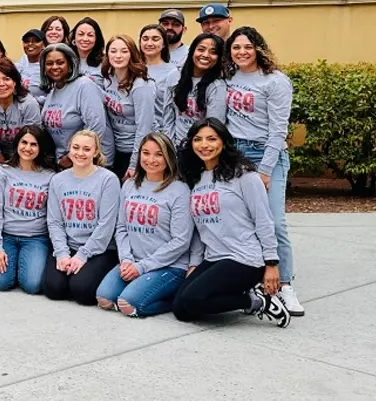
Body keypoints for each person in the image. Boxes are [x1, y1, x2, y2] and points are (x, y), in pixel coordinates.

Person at [172, 119, 290, 327]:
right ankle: (244, 294)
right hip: (214, 257)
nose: (204, 145)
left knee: (193, 299)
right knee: (182, 310)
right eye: (198, 139)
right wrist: (194, 263)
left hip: (245, 258)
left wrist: (272, 263)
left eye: (211, 139)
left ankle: (258, 301)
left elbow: (263, 219)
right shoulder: (196, 178)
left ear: (224, 142)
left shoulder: (244, 175)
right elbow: (201, 229)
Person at [224, 26, 301, 316]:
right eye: (236, 47)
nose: (242, 52)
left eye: (247, 46)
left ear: (258, 48)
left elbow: (278, 130)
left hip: (266, 153)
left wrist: (266, 169)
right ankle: (254, 283)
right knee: (244, 223)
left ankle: (284, 284)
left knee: (274, 222)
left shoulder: (275, 81)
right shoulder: (228, 78)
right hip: (235, 155)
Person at [95, 133, 191, 317]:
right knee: (104, 299)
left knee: (128, 305)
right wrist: (127, 260)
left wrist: (142, 267)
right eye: (146, 153)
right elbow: (121, 228)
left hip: (168, 265)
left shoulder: (180, 190)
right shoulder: (130, 185)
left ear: (169, 157)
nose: (151, 159)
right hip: (134, 261)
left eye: (158, 154)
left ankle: (173, 298)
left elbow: (181, 241)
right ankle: (140, 288)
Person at [43, 130, 120, 305]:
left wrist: (82, 256)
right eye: (76, 147)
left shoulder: (108, 180)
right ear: (69, 149)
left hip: (99, 250)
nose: (80, 153)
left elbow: (106, 225)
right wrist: (62, 253)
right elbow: (54, 222)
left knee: (82, 291)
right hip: (69, 246)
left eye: (87, 149)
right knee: (54, 289)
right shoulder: (58, 180)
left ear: (95, 152)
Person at [0, 126, 57, 294]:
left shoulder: (50, 176)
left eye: (34, 144)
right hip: (7, 236)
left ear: (41, 148)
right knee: (1, 282)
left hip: (35, 238)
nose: (27, 148)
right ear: (17, 144)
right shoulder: (3, 171)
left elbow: (53, 216)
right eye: (24, 142)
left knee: (32, 285)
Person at [40, 43, 113, 168]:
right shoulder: (54, 91)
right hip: (65, 163)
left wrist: (70, 157)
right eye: (49, 63)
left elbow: (96, 127)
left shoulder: (84, 86)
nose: (54, 67)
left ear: (70, 64)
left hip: (90, 163)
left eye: (60, 62)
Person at [99, 35, 158, 179]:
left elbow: (144, 127)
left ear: (132, 54)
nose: (118, 56)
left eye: (124, 51)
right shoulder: (108, 79)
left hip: (137, 151)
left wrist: (134, 164)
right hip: (116, 149)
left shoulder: (141, 85)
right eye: (113, 51)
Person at [159, 33, 227, 144]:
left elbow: (213, 129)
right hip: (176, 147)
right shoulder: (174, 76)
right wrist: (170, 148)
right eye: (201, 49)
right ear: (192, 51)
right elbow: (168, 118)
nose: (205, 55)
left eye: (213, 52)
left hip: (201, 149)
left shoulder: (217, 86)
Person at [0, 59, 42, 163]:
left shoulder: (29, 104)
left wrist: (16, 165)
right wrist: (3, 164)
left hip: (28, 155)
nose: (1, 84)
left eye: (6, 79)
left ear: (15, 82)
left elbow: (32, 139)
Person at [16, 29, 46, 102]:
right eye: (26, 41)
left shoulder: (48, 67)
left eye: (36, 41)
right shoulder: (18, 67)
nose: (30, 43)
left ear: (44, 45)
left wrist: (35, 101)